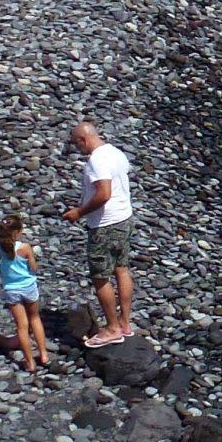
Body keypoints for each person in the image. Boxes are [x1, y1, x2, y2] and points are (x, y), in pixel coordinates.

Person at [61, 121, 136, 348]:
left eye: (77, 144)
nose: (78, 149)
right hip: (124, 217)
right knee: (121, 269)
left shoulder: (97, 159)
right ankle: (124, 322)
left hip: (105, 224)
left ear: (84, 139)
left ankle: (112, 328)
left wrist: (79, 212)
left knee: (100, 276)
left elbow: (104, 194)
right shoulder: (115, 152)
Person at [0, 213, 48, 372]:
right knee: (35, 318)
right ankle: (43, 354)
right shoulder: (25, 248)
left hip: (11, 290)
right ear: (18, 232)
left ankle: (30, 362)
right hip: (28, 286)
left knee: (22, 326)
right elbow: (34, 269)